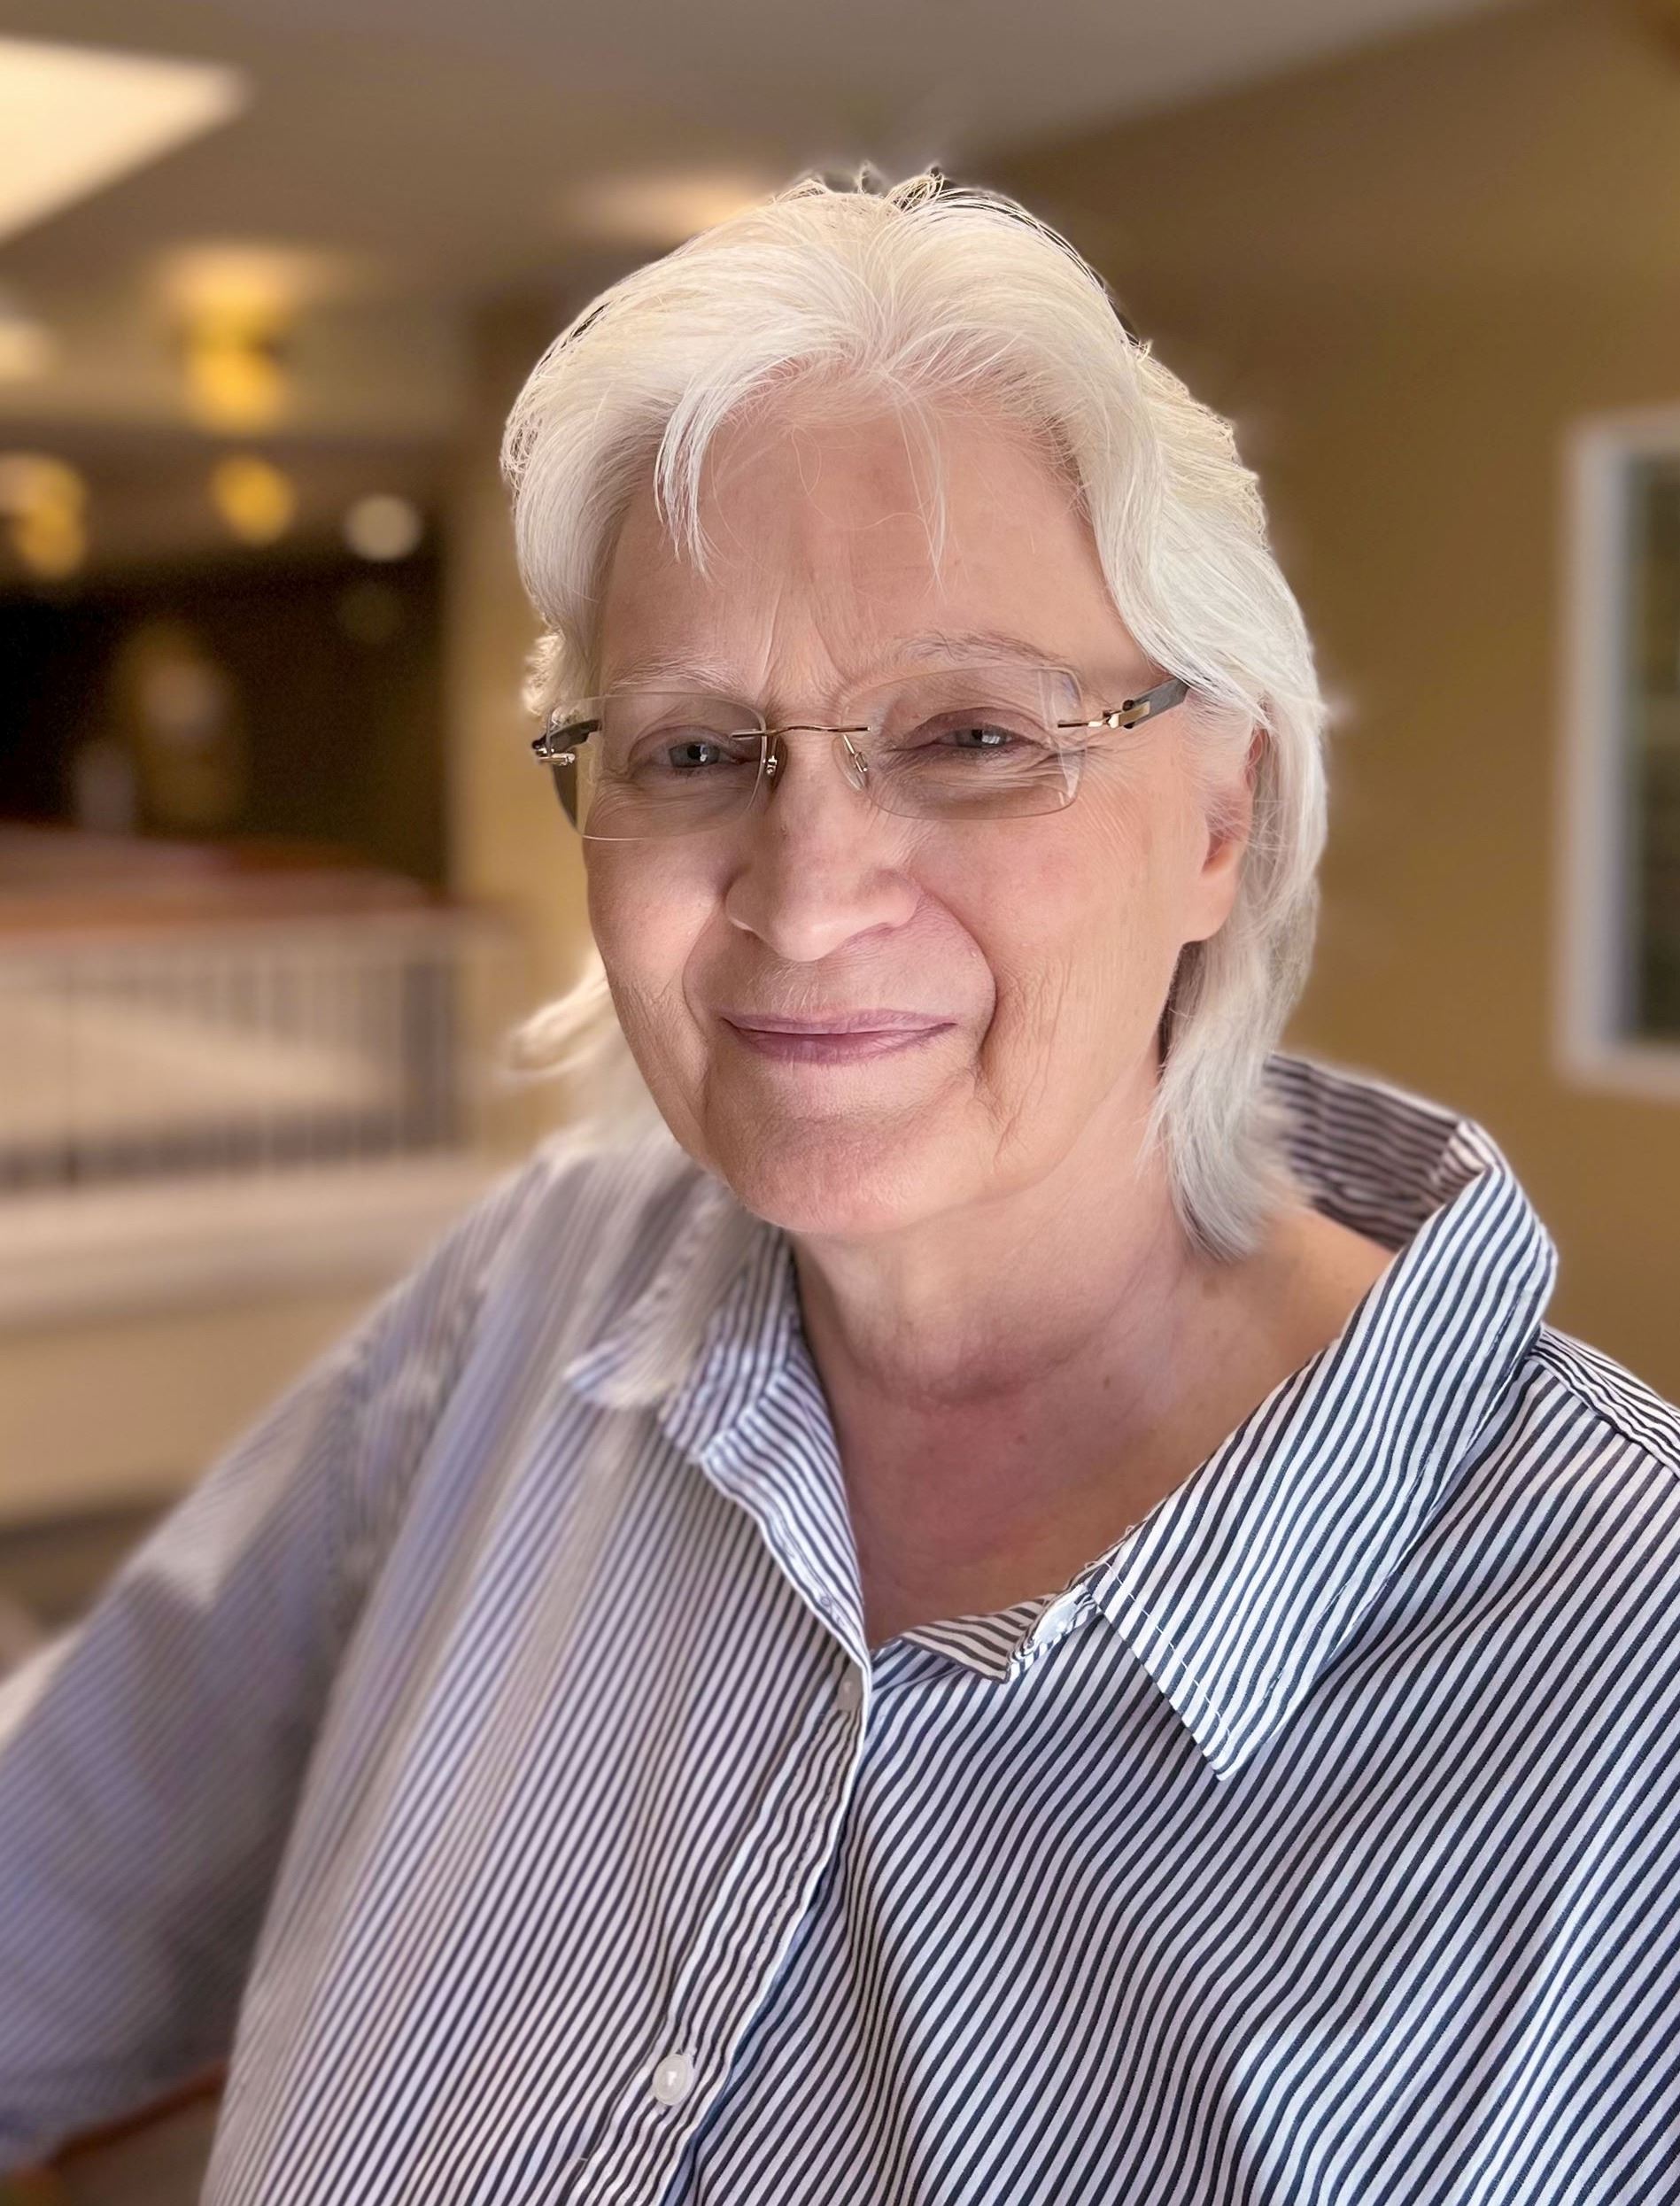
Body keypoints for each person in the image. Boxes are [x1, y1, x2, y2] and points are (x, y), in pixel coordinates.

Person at [2, 169, 1676, 2205]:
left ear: (1220, 816)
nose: (803, 902)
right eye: (694, 753)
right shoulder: (530, 1300)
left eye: (969, 733)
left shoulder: (1625, 1685)